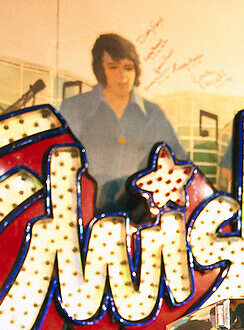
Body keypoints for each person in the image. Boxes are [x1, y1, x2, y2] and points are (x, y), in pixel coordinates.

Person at [60, 33, 186, 216]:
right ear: (99, 69)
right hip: (86, 214)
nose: (123, 76)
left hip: (141, 217)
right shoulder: (74, 108)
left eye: (128, 68)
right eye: (113, 67)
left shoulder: (153, 114)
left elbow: (179, 164)